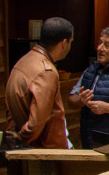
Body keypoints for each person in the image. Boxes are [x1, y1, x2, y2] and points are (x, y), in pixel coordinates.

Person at [5, 17, 74, 148]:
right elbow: (37, 123)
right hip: (44, 152)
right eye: (71, 42)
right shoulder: (46, 72)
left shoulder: (23, 61)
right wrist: (20, 138)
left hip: (25, 147)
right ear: (64, 43)